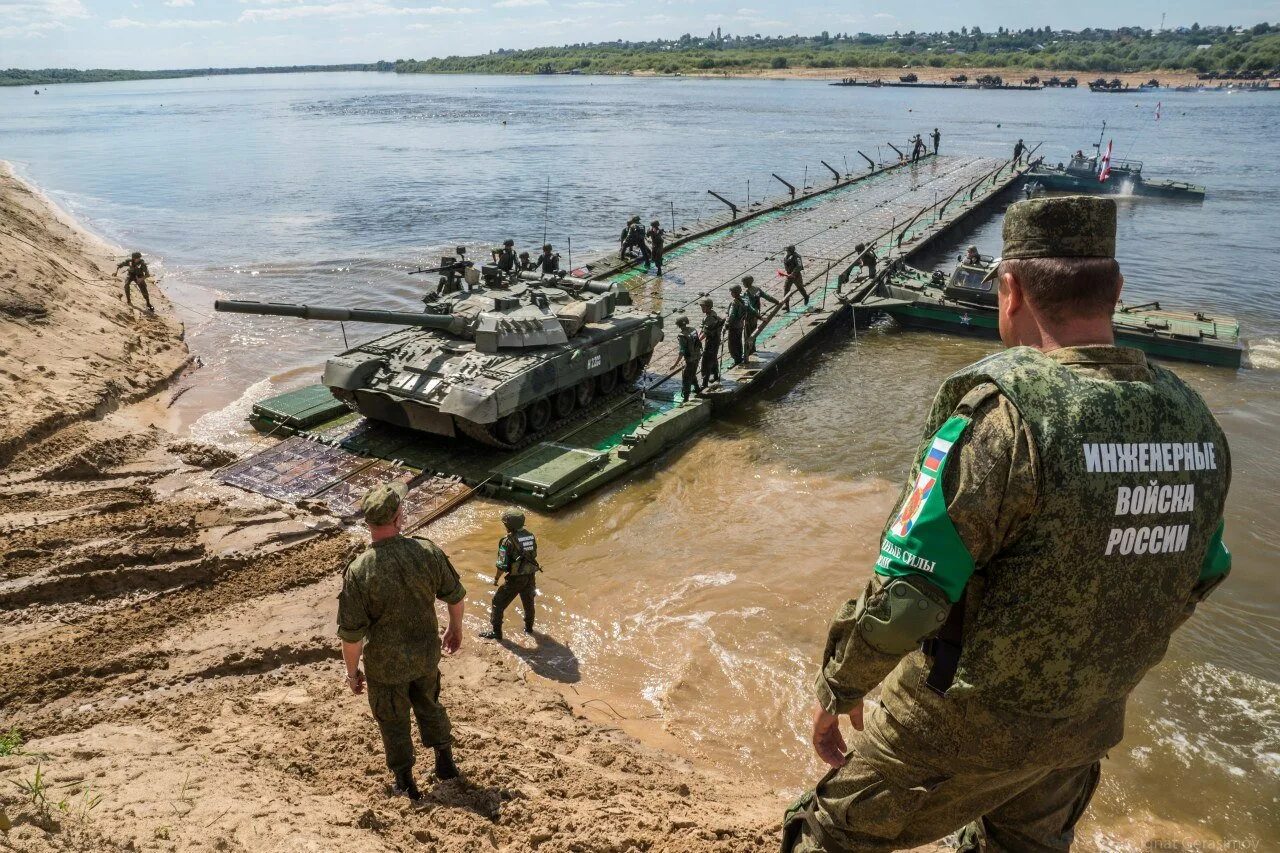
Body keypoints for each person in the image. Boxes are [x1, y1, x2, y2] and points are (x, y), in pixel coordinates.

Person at [782, 195, 1232, 852]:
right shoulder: (1195, 421)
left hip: (961, 721)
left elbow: (910, 590)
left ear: (1011, 288)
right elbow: (1203, 571)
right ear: (1116, 289)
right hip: (1086, 724)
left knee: (823, 834)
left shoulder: (1005, 413)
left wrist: (841, 684)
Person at [337, 482, 467, 801]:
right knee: (430, 704)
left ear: (368, 524)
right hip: (425, 656)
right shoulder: (426, 551)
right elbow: (456, 596)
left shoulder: (359, 571)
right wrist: (455, 628)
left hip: (385, 666)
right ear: (399, 518)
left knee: (392, 720)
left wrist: (352, 673)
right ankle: (445, 763)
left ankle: (405, 782)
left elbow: (351, 636)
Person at [480, 508, 541, 641]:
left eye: (505, 524)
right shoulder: (530, 536)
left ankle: (496, 633)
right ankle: (529, 629)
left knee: (497, 603)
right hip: (530, 576)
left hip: (515, 579)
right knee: (529, 604)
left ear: (509, 525)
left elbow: (501, 565)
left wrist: (496, 578)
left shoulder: (506, 541)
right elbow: (534, 554)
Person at [743, 275, 778, 357]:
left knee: (748, 335)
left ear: (747, 283)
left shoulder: (746, 293)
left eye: (744, 282)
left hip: (750, 316)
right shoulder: (757, 290)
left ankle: (748, 352)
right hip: (756, 314)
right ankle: (753, 349)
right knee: (754, 332)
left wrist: (760, 317)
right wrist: (776, 301)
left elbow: (749, 308)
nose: (743, 284)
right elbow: (767, 296)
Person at [672, 314, 703, 401]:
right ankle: (697, 388)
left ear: (678, 325)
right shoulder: (693, 329)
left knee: (686, 378)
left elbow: (681, 352)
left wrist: (675, 365)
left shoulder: (682, 336)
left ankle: (686, 397)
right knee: (692, 373)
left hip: (690, 359)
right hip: (697, 356)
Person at [698, 297, 724, 387]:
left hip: (712, 341)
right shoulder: (711, 315)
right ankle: (716, 375)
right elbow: (702, 329)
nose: (702, 309)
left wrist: (697, 341)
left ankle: (704, 383)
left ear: (709, 307)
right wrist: (698, 338)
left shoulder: (710, 318)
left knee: (706, 361)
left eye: (703, 307)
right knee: (713, 358)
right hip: (714, 340)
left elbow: (705, 332)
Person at [725, 283, 748, 366]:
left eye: (732, 292)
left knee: (732, 344)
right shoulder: (744, 299)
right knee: (738, 342)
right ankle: (739, 356)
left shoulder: (734, 303)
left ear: (734, 293)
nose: (731, 293)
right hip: (740, 325)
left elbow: (732, 315)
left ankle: (736, 359)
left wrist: (726, 324)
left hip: (734, 326)